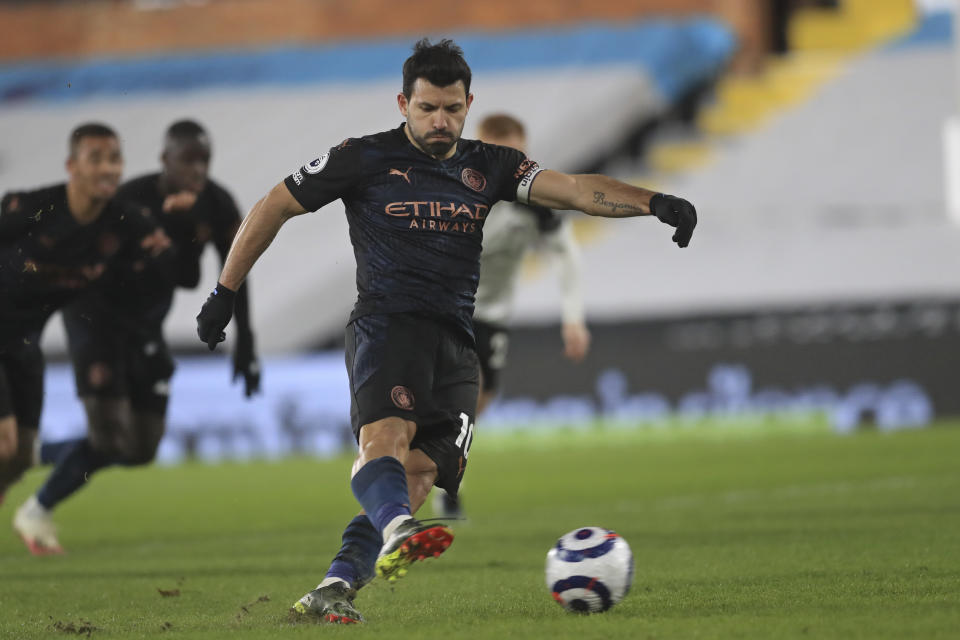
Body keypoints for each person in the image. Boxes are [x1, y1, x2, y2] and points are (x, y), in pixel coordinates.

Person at [196, 38, 696, 624]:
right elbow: (274, 204)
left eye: (452, 109)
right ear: (403, 103)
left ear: (469, 104)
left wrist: (654, 201)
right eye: (428, 107)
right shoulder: (362, 157)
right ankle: (400, 528)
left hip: (458, 343)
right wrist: (225, 290)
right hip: (388, 325)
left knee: (422, 473)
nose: (441, 120)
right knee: (384, 440)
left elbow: (577, 190)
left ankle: (336, 585)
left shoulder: (491, 165)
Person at [13, 120, 261, 555]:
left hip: (145, 329)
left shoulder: (217, 204)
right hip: (97, 322)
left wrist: (247, 341)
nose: (198, 170)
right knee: (110, 438)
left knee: (141, 446)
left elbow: (223, 272)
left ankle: (28, 456)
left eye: (204, 160)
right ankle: (35, 510)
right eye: (188, 160)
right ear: (165, 160)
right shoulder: (130, 201)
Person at [0, 123, 170, 554]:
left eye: (114, 157)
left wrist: (179, 230)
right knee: (4, 442)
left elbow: (176, 272)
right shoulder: (31, 209)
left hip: (24, 341)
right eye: (96, 157)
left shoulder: (127, 222)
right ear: (71, 166)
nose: (108, 167)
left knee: (19, 456)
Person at [434, 113, 591, 519]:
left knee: (479, 400)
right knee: (465, 392)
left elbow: (565, 252)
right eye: (500, 153)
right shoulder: (451, 191)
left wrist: (573, 318)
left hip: (493, 314)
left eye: (518, 154)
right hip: (443, 306)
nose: (511, 163)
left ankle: (444, 469)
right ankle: (441, 482)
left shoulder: (536, 202)